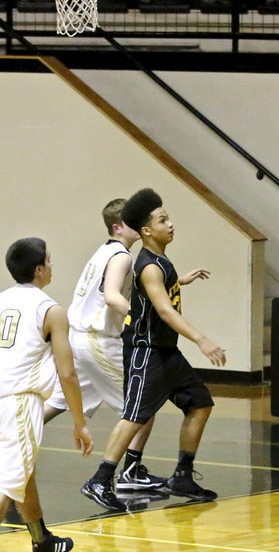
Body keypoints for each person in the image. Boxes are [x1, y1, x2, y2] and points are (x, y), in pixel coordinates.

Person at [80, 188, 226, 512]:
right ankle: (101, 480)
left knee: (200, 403)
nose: (171, 223)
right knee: (135, 416)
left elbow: (159, 291)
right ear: (146, 230)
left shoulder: (160, 262)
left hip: (166, 351)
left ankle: (183, 475)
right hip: (147, 352)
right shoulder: (148, 265)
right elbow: (164, 311)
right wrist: (202, 339)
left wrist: (180, 281)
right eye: (163, 220)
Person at [44, 199, 166, 496]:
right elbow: (112, 296)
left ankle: (7, 432)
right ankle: (130, 472)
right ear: (118, 226)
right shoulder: (122, 256)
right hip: (96, 341)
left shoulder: (105, 251)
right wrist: (140, 319)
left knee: (58, 403)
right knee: (143, 404)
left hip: (79, 339)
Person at [0, 238, 94, 552]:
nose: (52, 266)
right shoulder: (51, 311)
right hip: (18, 404)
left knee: (20, 475)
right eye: (49, 261)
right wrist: (80, 422)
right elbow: (67, 373)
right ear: (39, 269)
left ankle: (42, 540)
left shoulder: (1, 301)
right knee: (7, 485)